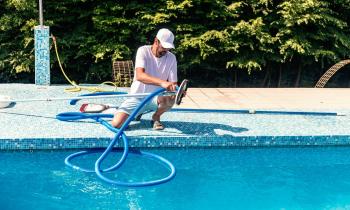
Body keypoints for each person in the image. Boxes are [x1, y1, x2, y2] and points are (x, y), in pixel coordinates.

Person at [111, 28, 178, 130]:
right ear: (156, 41)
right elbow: (140, 76)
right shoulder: (143, 51)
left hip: (157, 98)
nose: (166, 50)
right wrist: (162, 83)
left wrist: (178, 90)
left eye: (168, 48)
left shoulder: (171, 58)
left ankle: (156, 117)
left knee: (171, 99)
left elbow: (173, 83)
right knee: (117, 124)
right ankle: (138, 111)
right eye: (164, 47)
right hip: (137, 97)